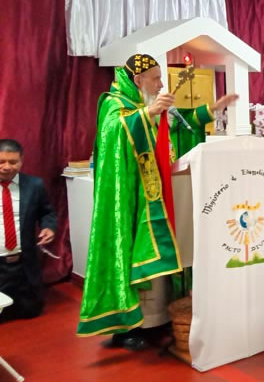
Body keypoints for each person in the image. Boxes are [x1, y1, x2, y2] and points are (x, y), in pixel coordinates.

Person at [77, 54, 237, 348]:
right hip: (128, 201)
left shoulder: (142, 106)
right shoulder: (114, 104)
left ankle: (157, 320)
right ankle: (129, 327)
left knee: (159, 256)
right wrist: (147, 113)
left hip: (153, 196)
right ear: (138, 80)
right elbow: (113, 133)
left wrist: (211, 109)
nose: (161, 84)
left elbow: (177, 127)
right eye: (156, 78)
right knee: (131, 254)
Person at [0, 139, 56, 323]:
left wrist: (48, 227)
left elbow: (47, 212)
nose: (7, 167)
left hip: (24, 262)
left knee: (31, 312)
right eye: (1, 162)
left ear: (21, 161)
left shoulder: (34, 185)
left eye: (13, 162)